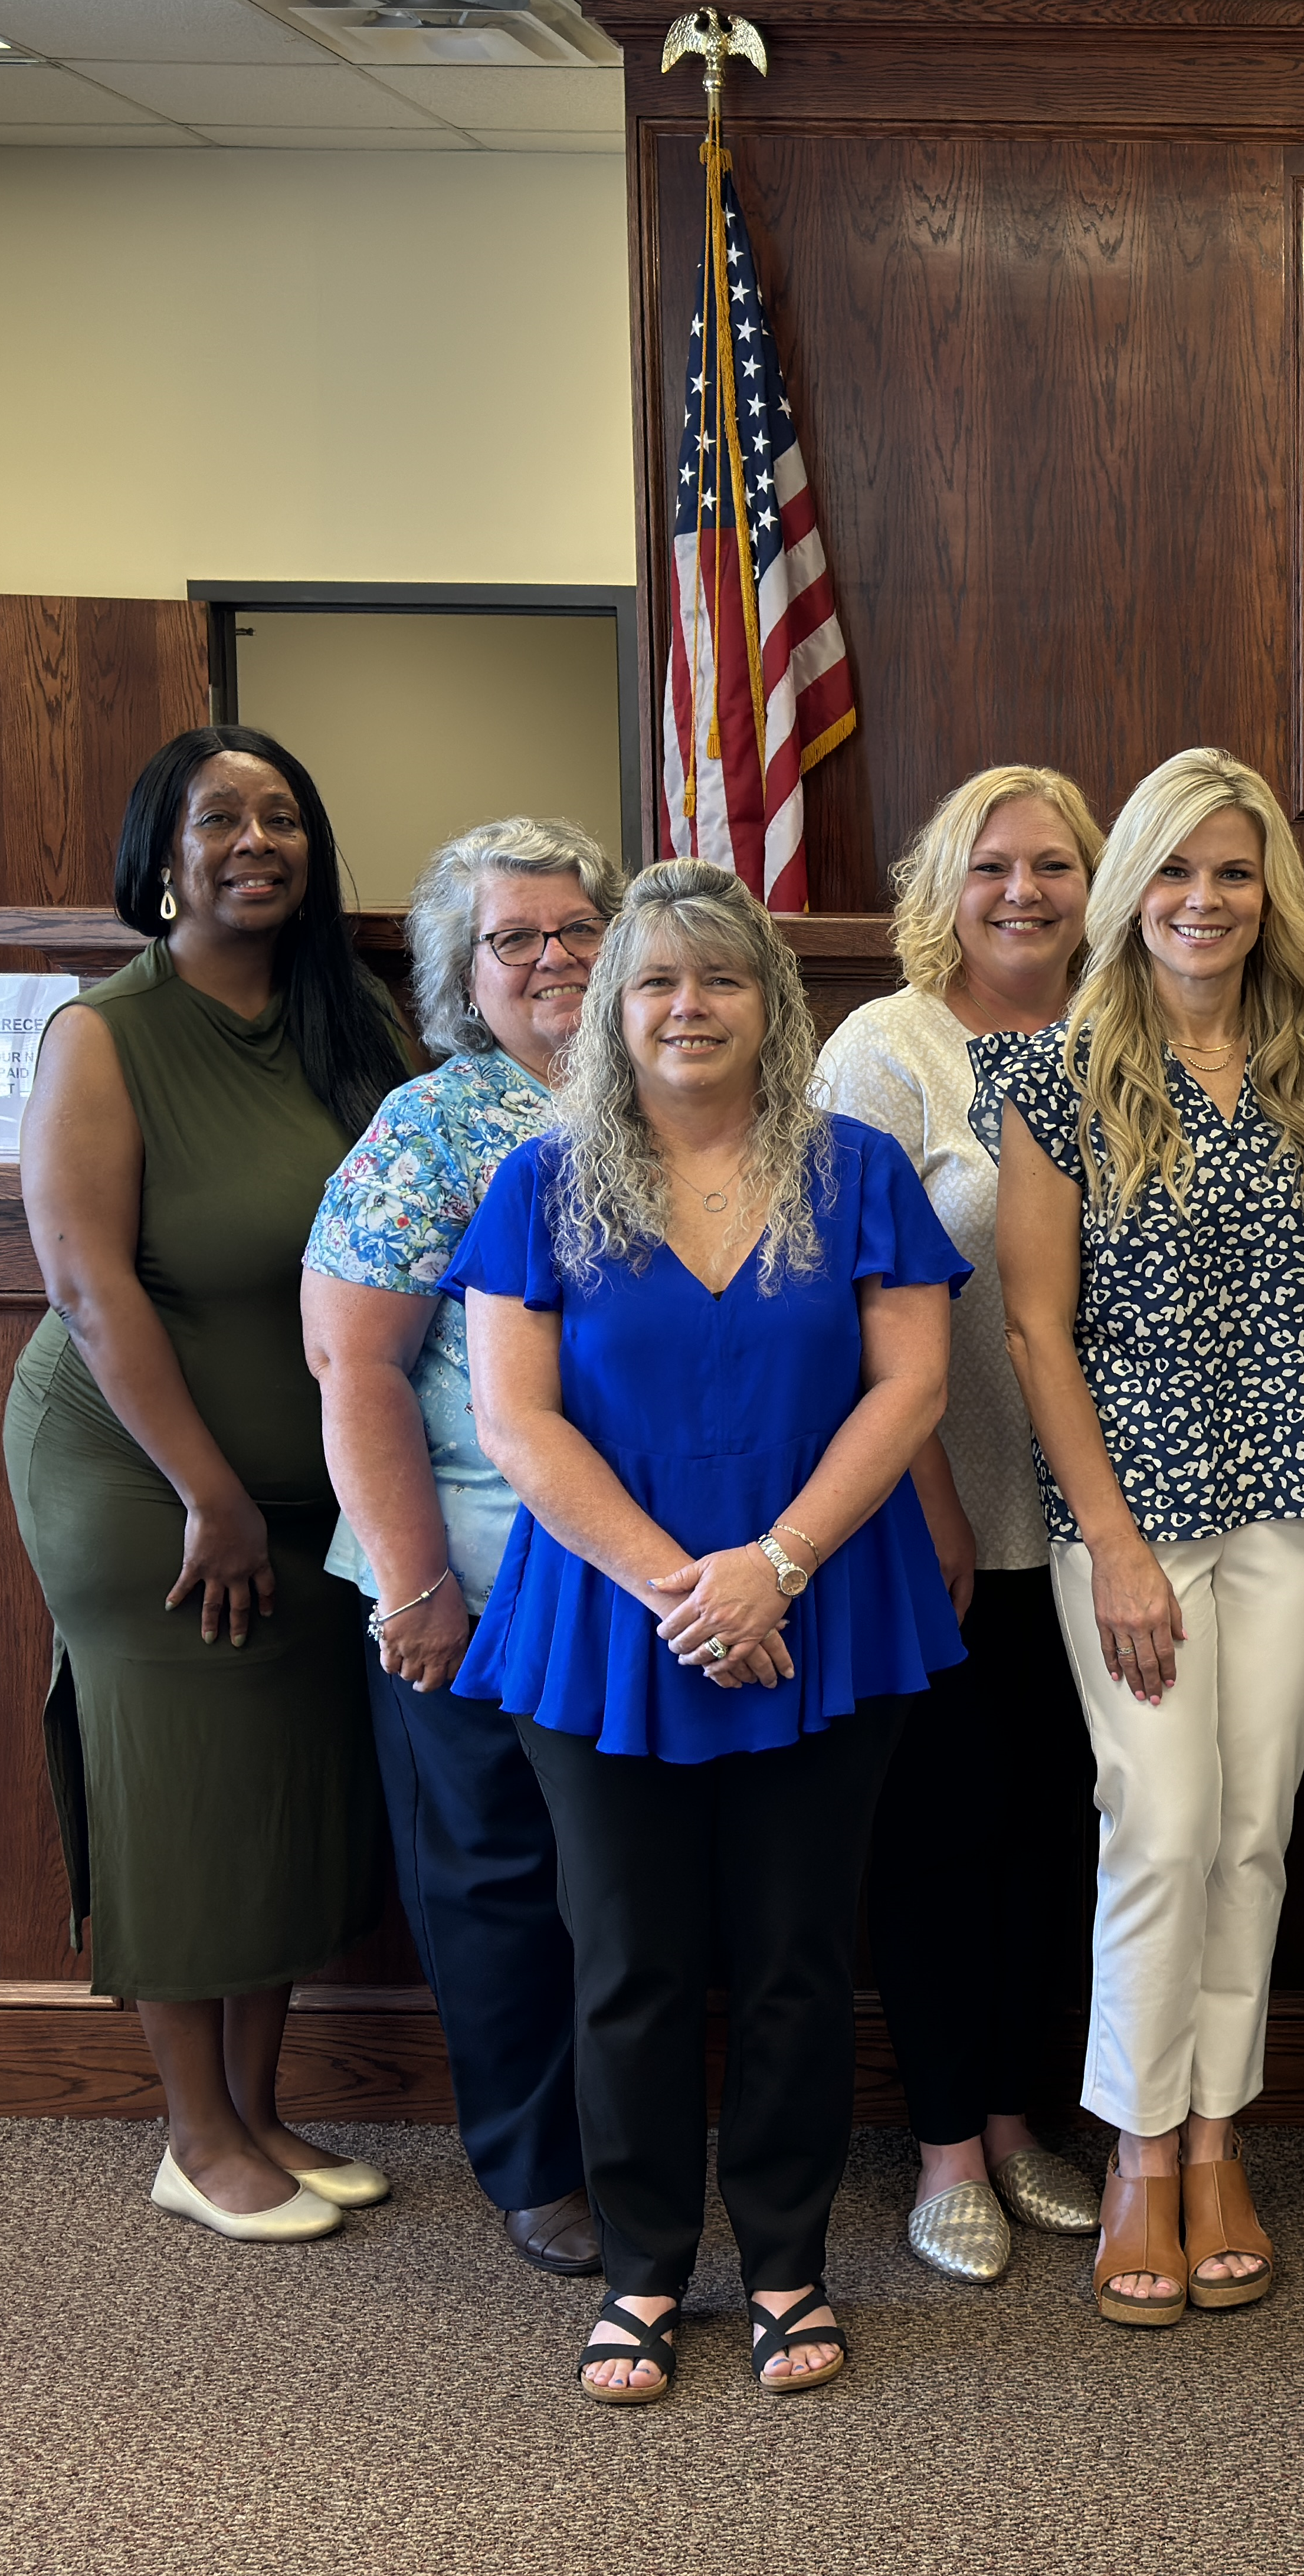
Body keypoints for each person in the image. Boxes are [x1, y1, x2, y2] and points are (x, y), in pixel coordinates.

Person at [448, 859, 968, 2403]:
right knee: (629, 1963)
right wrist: (691, 1583)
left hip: (827, 1613)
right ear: (614, 1005)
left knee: (802, 1958)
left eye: (721, 978)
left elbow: (911, 1385)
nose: (689, 1006)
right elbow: (514, 1419)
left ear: (772, 1001)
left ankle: (790, 2257)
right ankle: (644, 2267)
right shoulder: (537, 1182)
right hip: (607, 1624)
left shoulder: (856, 1167)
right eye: (658, 980)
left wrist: (778, 1563)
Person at [4, 725, 410, 2242]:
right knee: (182, 1786)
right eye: (218, 817)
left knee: (277, 1795)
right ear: (158, 854)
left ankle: (259, 2108)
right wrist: (213, 1492)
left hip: (314, 1489)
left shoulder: (345, 1017)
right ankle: (191, 2133)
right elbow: (88, 1288)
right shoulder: (103, 1032)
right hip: (142, 1480)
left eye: (283, 816)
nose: (256, 840)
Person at [998, 747, 1304, 2328]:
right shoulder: (1054, 1068)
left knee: (1250, 1827)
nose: (1201, 900)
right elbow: (1032, 1323)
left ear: (1266, 892)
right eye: (1172, 871)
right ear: (1126, 890)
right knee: (1157, 1825)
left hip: (1298, 1493)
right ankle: (1138, 2146)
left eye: (1231, 872)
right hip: (1134, 1505)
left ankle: (1219, 2133)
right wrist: (1115, 1538)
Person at [302, 817, 627, 2278]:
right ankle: (536, 2164)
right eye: (515, 937)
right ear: (463, 972)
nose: (553, 957)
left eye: (576, 928)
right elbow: (354, 1364)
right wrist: (415, 1578)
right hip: (479, 1584)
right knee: (498, 1882)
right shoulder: (432, 1126)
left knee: (625, 1891)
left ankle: (631, 2142)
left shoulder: (673, 1098)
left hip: (646, 1587)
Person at [818, 765, 1108, 2282]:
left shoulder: (1127, 1033)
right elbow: (853, 1292)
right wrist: (922, 1492)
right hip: (943, 1511)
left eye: (1056, 864)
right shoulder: (889, 1046)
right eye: (992, 863)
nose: (1024, 890)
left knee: (1050, 1839)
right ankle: (940, 2149)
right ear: (946, 882)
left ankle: (1012, 2120)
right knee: (938, 1834)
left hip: (1105, 1525)